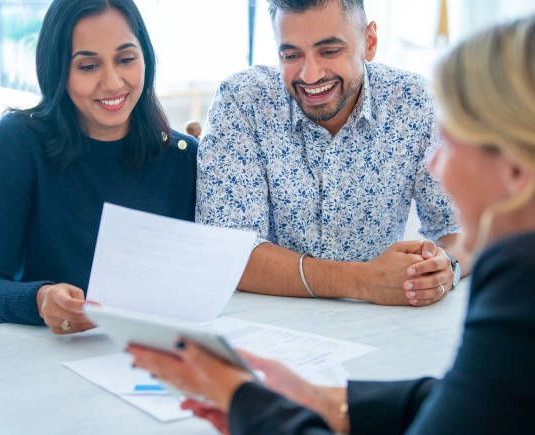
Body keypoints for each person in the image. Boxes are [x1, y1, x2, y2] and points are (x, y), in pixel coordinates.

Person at [130, 14, 535, 434]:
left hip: (385, 340)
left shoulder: (517, 286)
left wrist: (241, 398)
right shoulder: (518, 279)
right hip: (277, 338)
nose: (435, 161)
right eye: (291, 54)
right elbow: (458, 399)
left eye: (452, 142)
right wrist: (326, 399)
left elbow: (463, 399)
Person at [197, 0, 468, 307]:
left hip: (385, 324)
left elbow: (463, 230)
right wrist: (364, 281)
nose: (310, 75)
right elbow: (228, 253)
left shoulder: (414, 101)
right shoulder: (241, 101)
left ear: (369, 42)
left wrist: (445, 269)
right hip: (268, 323)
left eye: (329, 51)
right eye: (291, 55)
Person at [0, 0, 197, 334]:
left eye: (126, 59)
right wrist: (39, 300)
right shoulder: (17, 142)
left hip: (145, 357)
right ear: (58, 71)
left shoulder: (181, 157)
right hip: (36, 359)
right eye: (87, 66)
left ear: (146, 59)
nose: (112, 83)